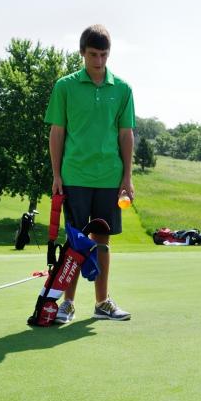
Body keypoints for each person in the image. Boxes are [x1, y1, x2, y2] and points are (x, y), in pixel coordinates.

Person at [45, 24, 135, 323]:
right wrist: (56, 174)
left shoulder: (122, 89)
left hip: (109, 177)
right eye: (93, 54)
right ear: (82, 53)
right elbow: (57, 132)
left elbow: (126, 135)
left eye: (104, 55)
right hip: (74, 176)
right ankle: (67, 304)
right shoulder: (65, 86)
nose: (99, 61)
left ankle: (102, 303)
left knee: (102, 241)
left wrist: (127, 178)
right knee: (75, 242)